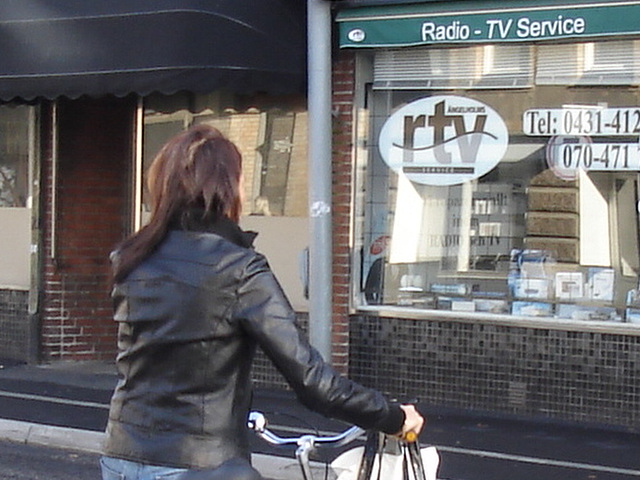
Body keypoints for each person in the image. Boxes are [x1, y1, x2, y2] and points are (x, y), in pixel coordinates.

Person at [101, 124, 424, 480]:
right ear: (226, 186)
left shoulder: (131, 259)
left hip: (121, 456)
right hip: (202, 463)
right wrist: (392, 416)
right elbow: (314, 382)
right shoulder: (238, 269)